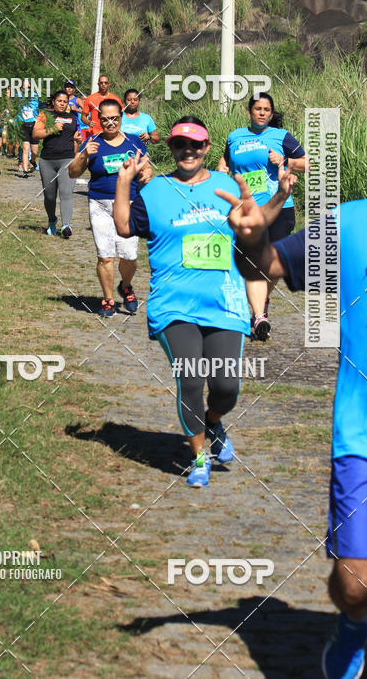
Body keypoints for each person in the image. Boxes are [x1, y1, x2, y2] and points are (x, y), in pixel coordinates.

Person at [217, 109, 367, 679]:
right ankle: (353, 628)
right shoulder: (349, 225)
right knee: (357, 585)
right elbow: (270, 265)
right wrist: (250, 238)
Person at [113, 116, 295, 487]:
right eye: (180, 144)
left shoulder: (225, 185)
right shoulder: (154, 192)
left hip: (223, 301)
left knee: (226, 386)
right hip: (173, 304)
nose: (188, 151)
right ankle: (198, 457)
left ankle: (213, 422)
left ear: (207, 149)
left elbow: (255, 224)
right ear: (172, 149)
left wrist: (279, 196)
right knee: (191, 378)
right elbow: (123, 227)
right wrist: (124, 181)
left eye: (196, 145)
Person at [217, 92, 307, 341]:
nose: (262, 113)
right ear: (249, 111)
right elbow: (225, 159)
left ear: (271, 113)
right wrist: (221, 169)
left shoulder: (281, 136)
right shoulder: (235, 136)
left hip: (279, 207)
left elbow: (306, 162)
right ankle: (258, 316)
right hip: (246, 210)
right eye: (258, 109)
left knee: (275, 264)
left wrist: (285, 160)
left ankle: (261, 300)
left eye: (267, 109)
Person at [69, 98, 149, 316]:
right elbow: (73, 173)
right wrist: (84, 155)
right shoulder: (92, 142)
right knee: (105, 255)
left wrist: (146, 174)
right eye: (105, 119)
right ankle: (108, 300)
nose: (110, 123)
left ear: (121, 118)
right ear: (99, 120)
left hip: (130, 204)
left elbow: (146, 168)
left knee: (129, 255)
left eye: (114, 118)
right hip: (99, 203)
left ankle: (126, 286)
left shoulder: (133, 142)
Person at [32, 90, 80, 237]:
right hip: (47, 160)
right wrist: (52, 129)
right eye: (59, 101)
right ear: (53, 101)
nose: (62, 104)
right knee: (50, 196)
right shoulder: (45, 115)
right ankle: (52, 219)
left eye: (65, 102)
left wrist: (77, 144)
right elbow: (35, 134)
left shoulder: (73, 117)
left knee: (66, 193)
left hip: (67, 159)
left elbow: (75, 137)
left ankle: (66, 225)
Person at [80, 75, 123, 141]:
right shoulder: (90, 98)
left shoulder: (116, 99)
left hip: (111, 134)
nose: (103, 85)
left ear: (109, 84)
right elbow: (83, 116)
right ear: (98, 84)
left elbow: (122, 116)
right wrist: (88, 122)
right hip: (95, 134)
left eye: (106, 83)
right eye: (101, 83)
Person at [16, 81, 40, 178]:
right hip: (23, 125)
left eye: (28, 85)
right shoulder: (18, 96)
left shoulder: (35, 96)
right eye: (24, 85)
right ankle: (25, 171)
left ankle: (33, 161)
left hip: (34, 126)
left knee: (34, 152)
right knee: (25, 149)